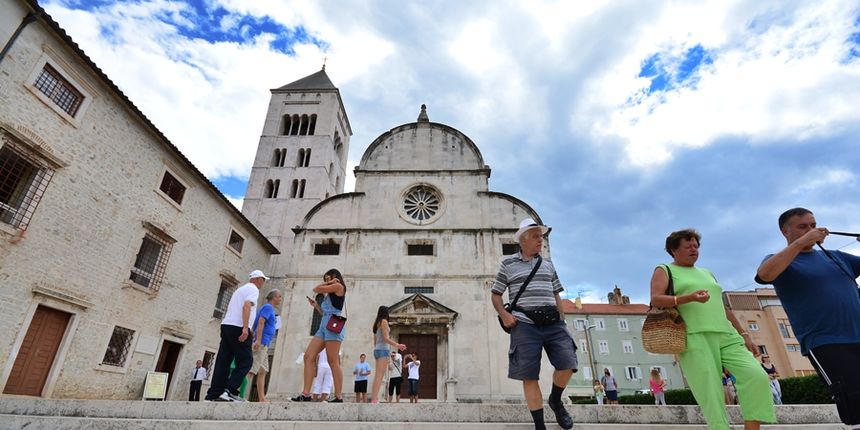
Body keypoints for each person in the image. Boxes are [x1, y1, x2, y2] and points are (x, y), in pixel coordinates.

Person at [650, 229, 774, 429]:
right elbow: (655, 298)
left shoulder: (707, 273)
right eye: (688, 246)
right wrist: (688, 298)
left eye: (696, 246)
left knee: (756, 376)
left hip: (726, 334)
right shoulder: (664, 269)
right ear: (673, 250)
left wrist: (744, 334)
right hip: (694, 336)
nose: (694, 250)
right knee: (711, 392)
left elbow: (721, 305)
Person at [755, 208, 860, 426]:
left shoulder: (837, 257)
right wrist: (801, 243)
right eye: (803, 227)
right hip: (826, 341)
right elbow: (764, 275)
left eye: (813, 225)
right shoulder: (780, 260)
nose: (811, 230)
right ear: (785, 232)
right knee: (854, 397)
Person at [491, 218, 577, 430]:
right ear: (523, 240)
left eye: (541, 236)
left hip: (554, 323)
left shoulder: (547, 263)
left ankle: (555, 400)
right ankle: (540, 426)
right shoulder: (508, 264)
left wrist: (562, 319)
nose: (541, 240)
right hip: (525, 324)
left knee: (568, 363)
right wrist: (504, 315)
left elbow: (556, 293)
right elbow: (496, 295)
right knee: (529, 376)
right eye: (536, 236)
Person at [205, 270, 267, 402]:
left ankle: (214, 394)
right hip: (239, 327)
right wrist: (245, 328)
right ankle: (230, 390)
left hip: (226, 325)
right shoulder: (253, 289)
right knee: (246, 361)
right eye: (263, 280)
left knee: (224, 360)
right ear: (258, 279)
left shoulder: (240, 290)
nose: (263, 283)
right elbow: (246, 307)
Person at [291, 269, 347, 403]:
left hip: (333, 326)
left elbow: (316, 289)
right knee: (308, 356)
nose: (327, 281)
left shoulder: (339, 286)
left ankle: (338, 396)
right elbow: (324, 313)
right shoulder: (330, 293)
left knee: (333, 361)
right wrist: (316, 306)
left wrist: (330, 282)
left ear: (335, 277)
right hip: (324, 324)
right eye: (326, 279)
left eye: (328, 278)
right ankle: (306, 394)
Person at [247, 289, 282, 402]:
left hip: (265, 344)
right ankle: (241, 394)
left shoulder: (269, 309)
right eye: (279, 296)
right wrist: (258, 340)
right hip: (261, 343)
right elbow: (261, 322)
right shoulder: (268, 308)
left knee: (263, 371)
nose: (280, 299)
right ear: (274, 297)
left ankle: (262, 398)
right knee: (252, 370)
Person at [370, 306, 407, 404]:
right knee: (379, 376)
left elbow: (375, 340)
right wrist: (397, 345)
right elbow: (386, 338)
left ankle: (374, 398)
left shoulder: (376, 323)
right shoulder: (384, 322)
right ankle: (374, 400)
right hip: (383, 350)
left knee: (377, 376)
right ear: (386, 312)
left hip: (377, 350)